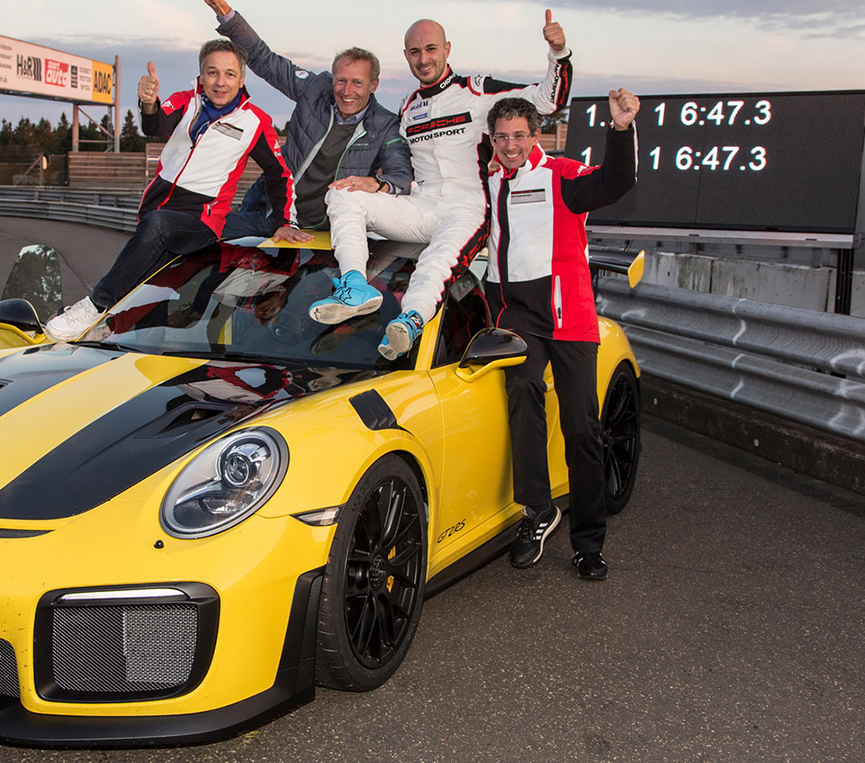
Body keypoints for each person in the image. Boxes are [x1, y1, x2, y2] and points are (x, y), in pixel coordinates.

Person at [311, 12, 573, 360]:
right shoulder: (408, 107)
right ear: (406, 56)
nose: (424, 59)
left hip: (467, 208)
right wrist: (376, 184)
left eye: (431, 49)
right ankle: (356, 287)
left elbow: (547, 101)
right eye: (415, 52)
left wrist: (559, 53)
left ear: (447, 49)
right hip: (421, 205)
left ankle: (411, 320)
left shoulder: (477, 90)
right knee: (342, 193)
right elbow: (396, 165)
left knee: (435, 265)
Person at [46, 39, 301, 341]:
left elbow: (279, 172)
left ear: (242, 79)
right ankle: (112, 330)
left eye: (230, 74)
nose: (221, 82)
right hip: (157, 204)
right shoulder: (185, 100)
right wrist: (148, 102)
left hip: (203, 219)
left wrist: (286, 221)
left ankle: (95, 305)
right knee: (151, 287)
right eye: (213, 73)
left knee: (159, 227)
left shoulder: (255, 121)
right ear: (201, 75)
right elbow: (156, 125)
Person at [483, 92, 639, 580]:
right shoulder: (486, 179)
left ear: (536, 136)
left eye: (519, 136)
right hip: (519, 316)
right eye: (502, 136)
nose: (510, 146)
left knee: (581, 429)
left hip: (570, 316)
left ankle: (588, 544)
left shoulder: (562, 176)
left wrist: (620, 131)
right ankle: (538, 509)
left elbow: (616, 182)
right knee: (523, 388)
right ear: (493, 139)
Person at [201, 0, 413, 240]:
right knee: (209, 249)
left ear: (373, 85)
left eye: (357, 83)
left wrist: (376, 184)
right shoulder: (315, 89)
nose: (346, 90)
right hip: (269, 211)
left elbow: (402, 176)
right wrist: (229, 18)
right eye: (341, 80)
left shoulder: (385, 125)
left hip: (318, 231)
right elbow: (266, 61)